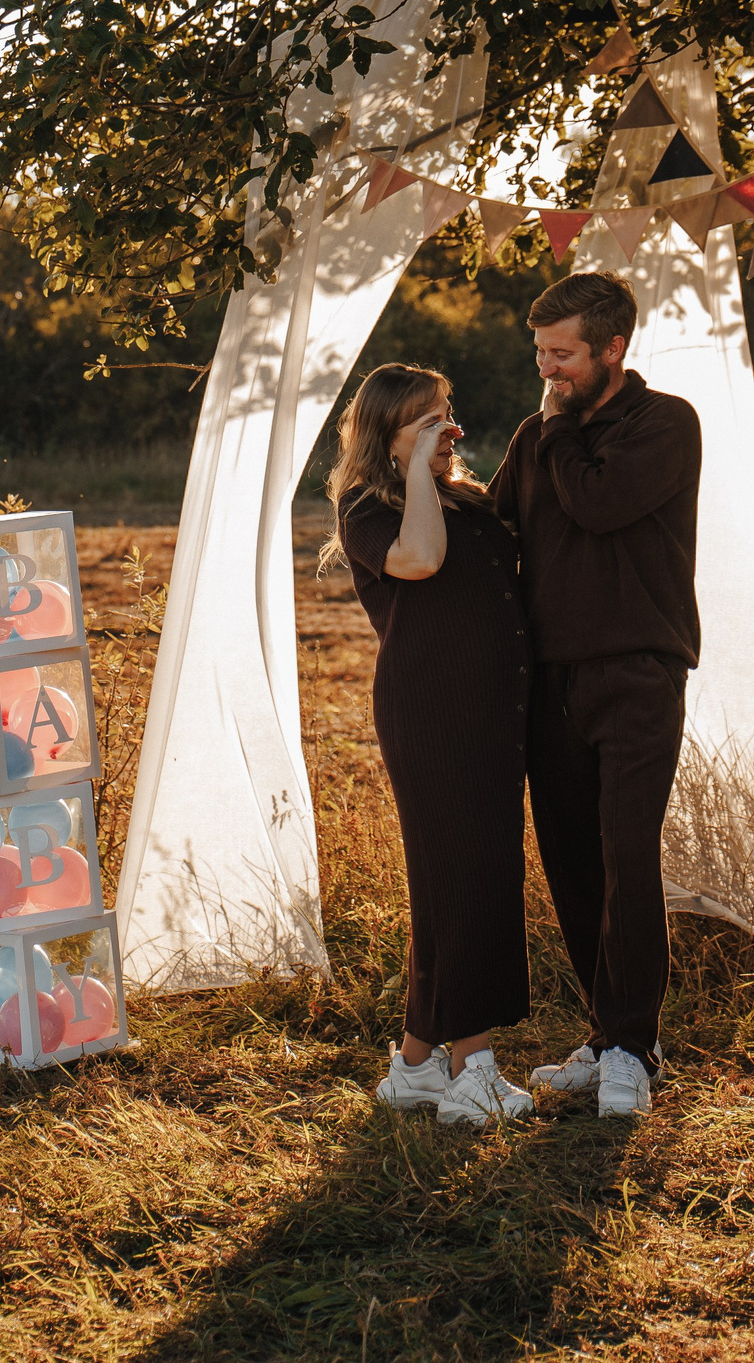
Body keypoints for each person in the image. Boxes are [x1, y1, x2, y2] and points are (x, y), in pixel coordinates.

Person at [488, 270, 701, 1120]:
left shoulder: (664, 424)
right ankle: (608, 1034)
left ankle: (632, 1049)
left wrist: (552, 431)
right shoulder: (538, 433)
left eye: (564, 354)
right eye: (541, 353)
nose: (548, 369)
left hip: (638, 674)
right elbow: (496, 529)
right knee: (573, 863)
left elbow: (599, 502)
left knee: (626, 857)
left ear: (614, 349)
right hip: (549, 682)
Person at [326, 362, 537, 1126]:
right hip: (432, 715)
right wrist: (417, 468)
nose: (448, 432)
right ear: (386, 440)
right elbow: (421, 560)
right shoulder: (366, 509)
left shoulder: (462, 497)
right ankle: (473, 1067)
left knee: (461, 878)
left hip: (490, 711)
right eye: (426, 424)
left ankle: (416, 1066)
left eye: (448, 415)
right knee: (465, 879)